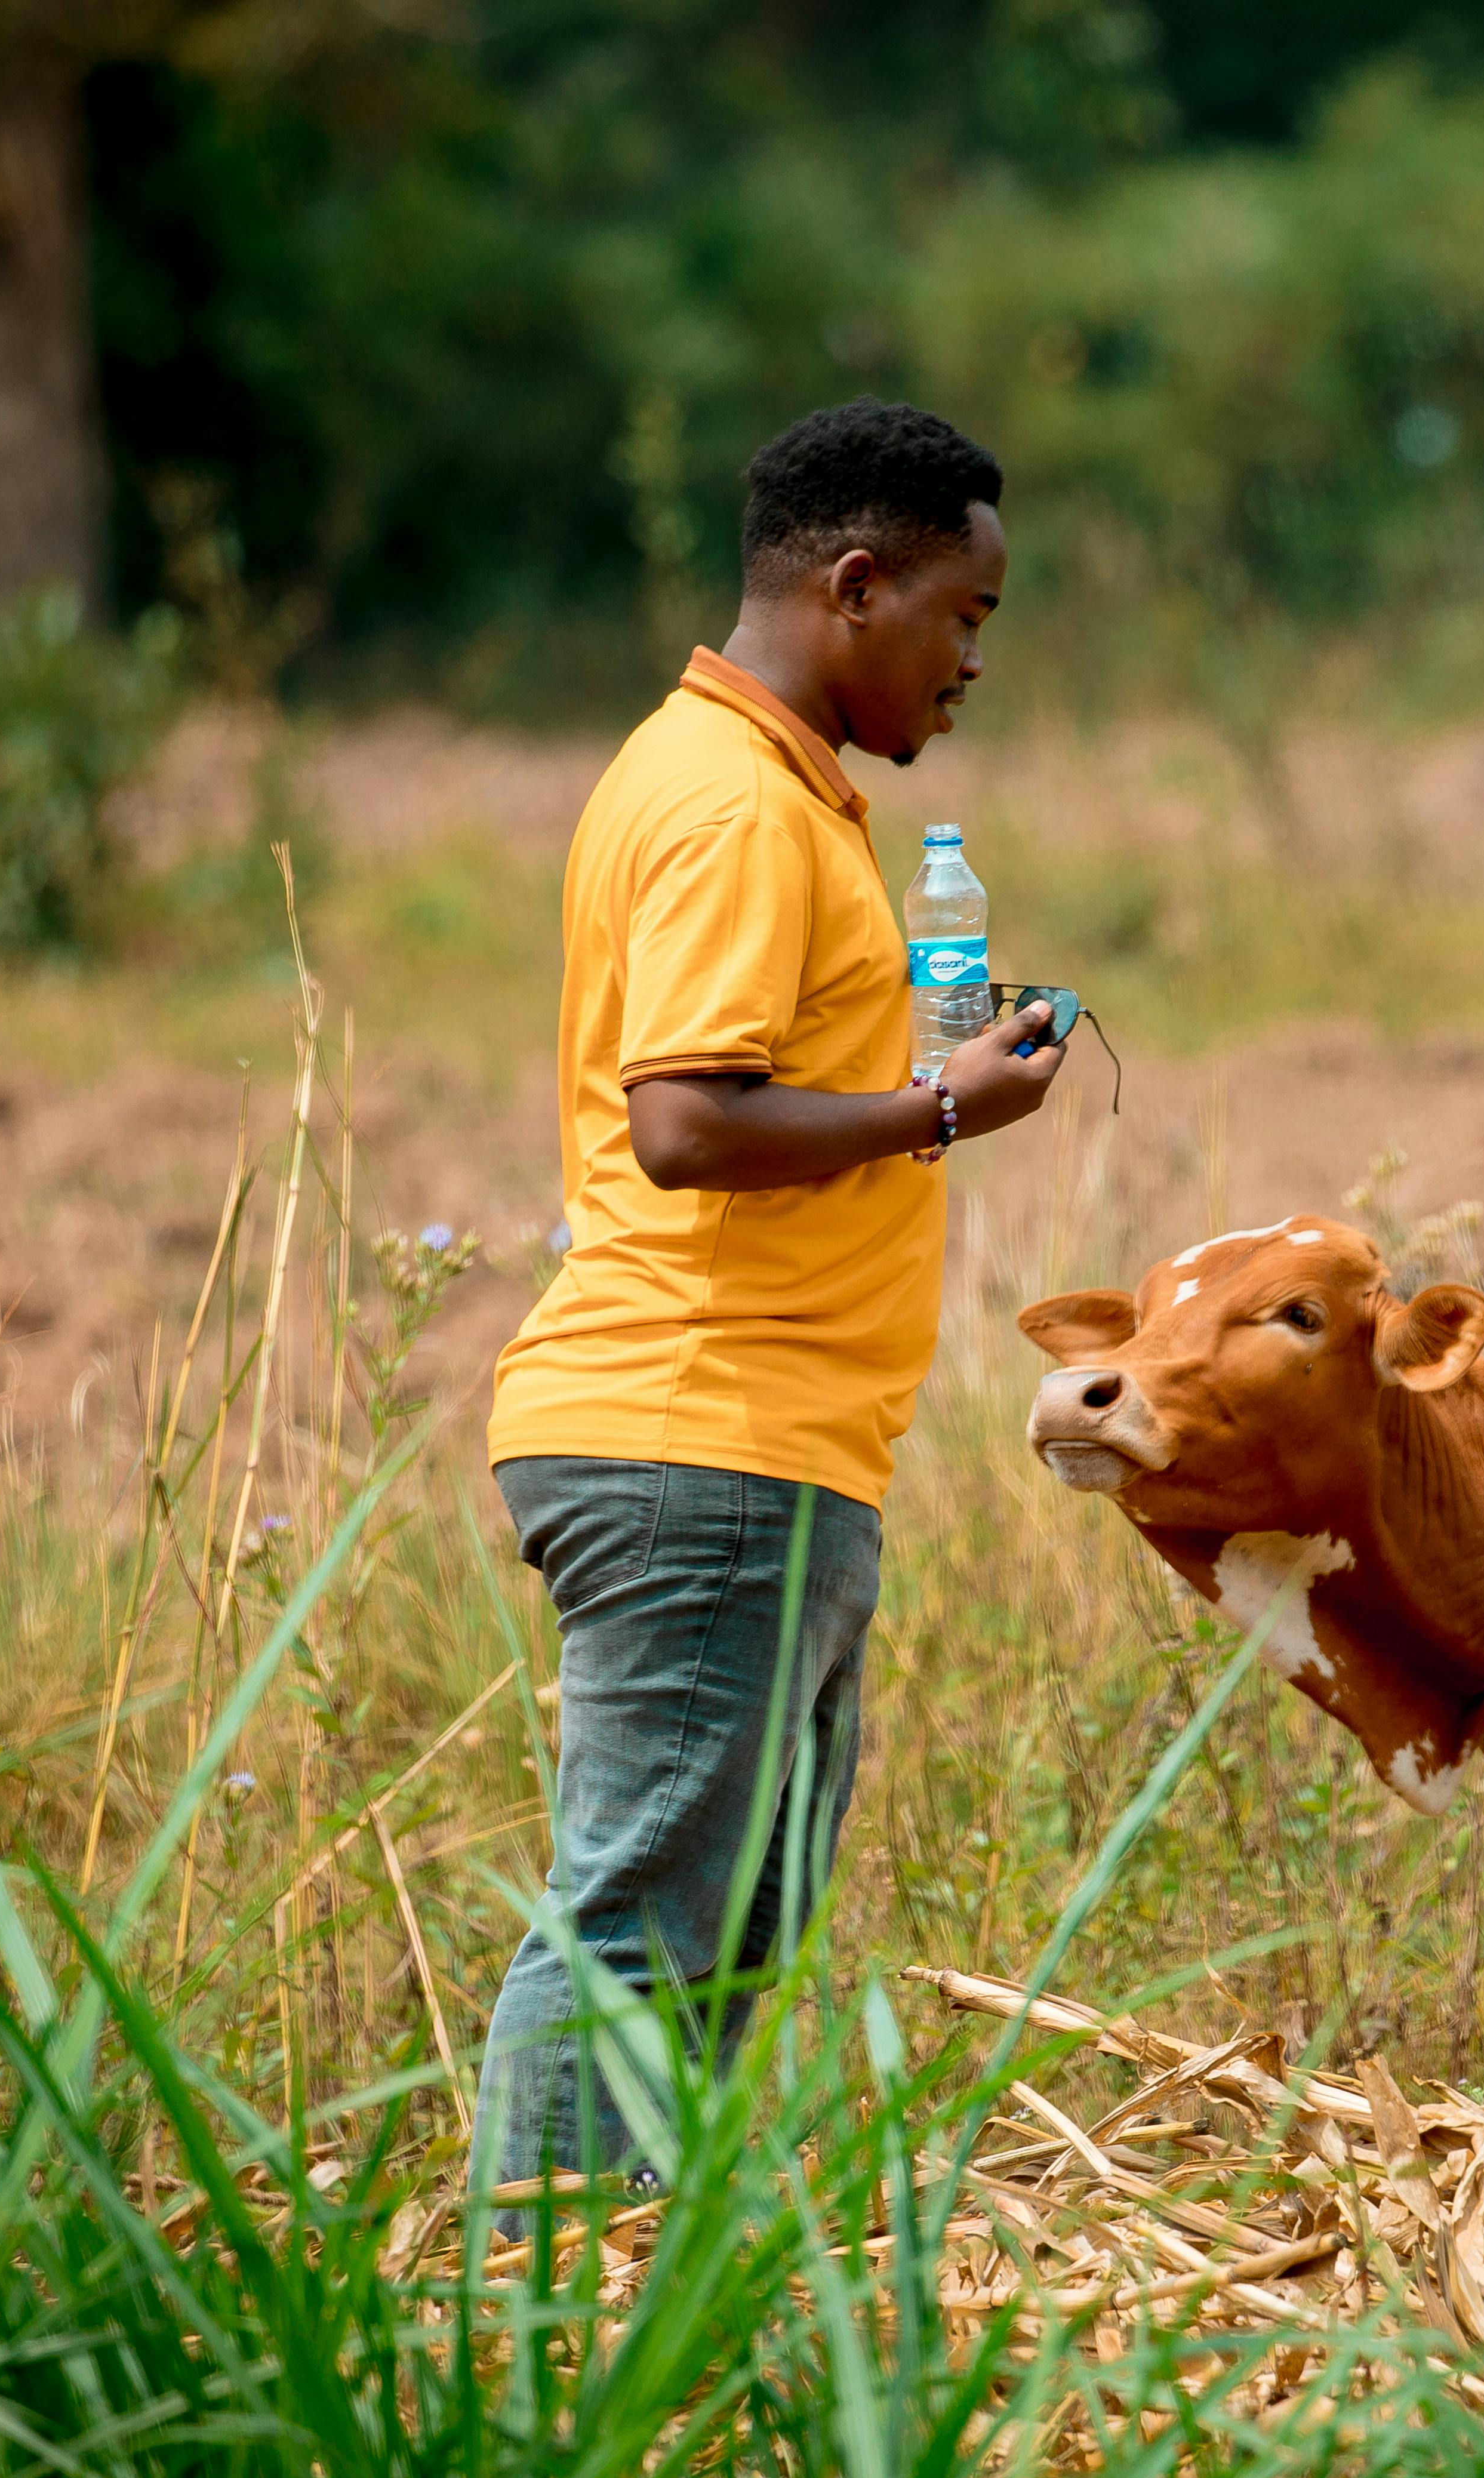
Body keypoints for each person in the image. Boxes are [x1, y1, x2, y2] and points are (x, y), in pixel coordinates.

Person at [475, 400, 1067, 2197]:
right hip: (698, 1439)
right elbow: (686, 1123)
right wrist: (942, 1105)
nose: (974, 662)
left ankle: (625, 2307)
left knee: (718, 1935)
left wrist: (915, 1083)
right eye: (965, 615)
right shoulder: (733, 802)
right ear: (858, 582)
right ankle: (540, 2343)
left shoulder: (767, 788)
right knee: (644, 1932)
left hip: (768, 1448)